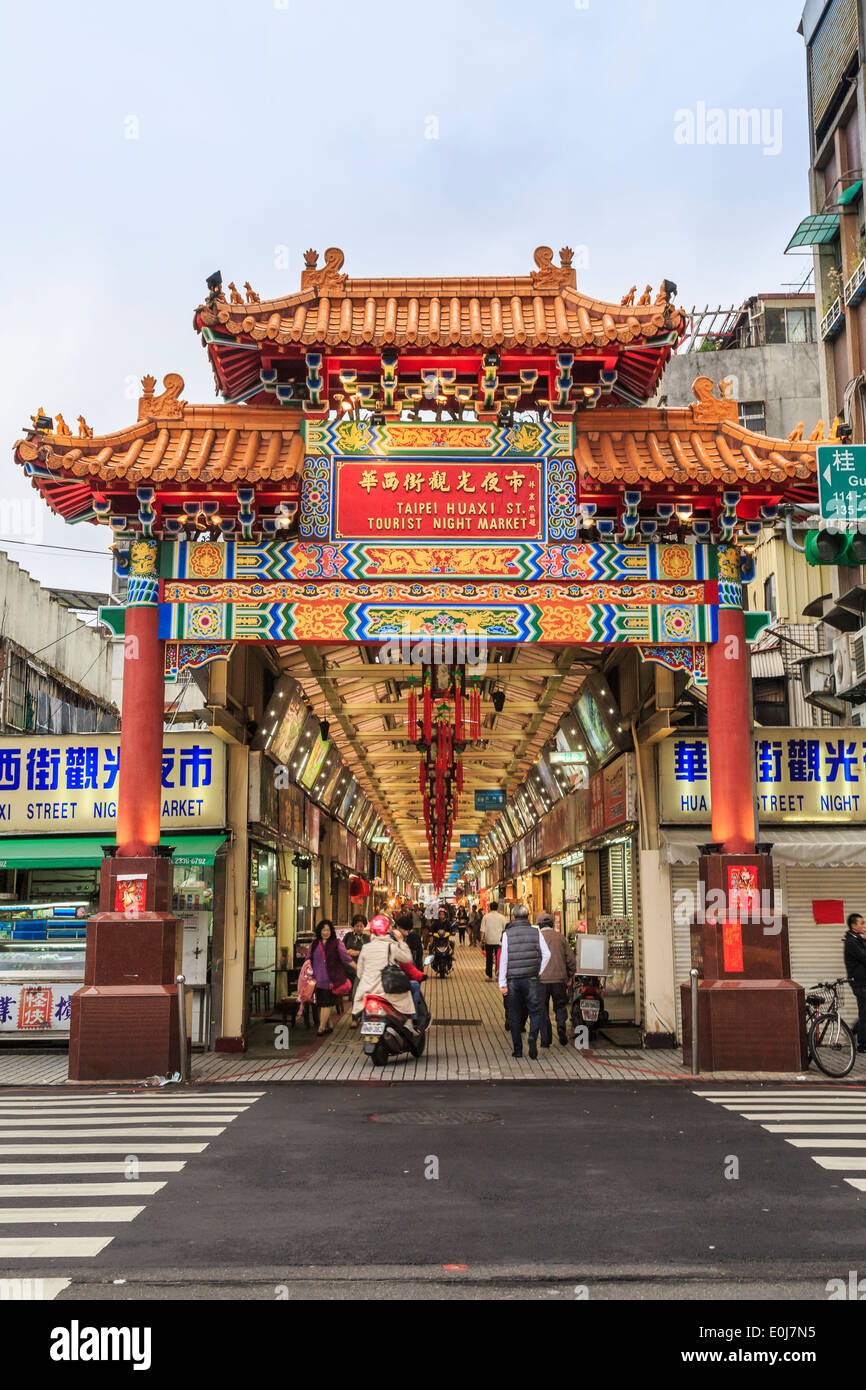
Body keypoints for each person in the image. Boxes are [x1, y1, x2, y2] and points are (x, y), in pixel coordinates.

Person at [499, 904, 551, 1059]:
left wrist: (502, 982)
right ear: (528, 916)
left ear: (513, 917)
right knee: (535, 1011)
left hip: (513, 980)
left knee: (514, 1014)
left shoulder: (507, 934)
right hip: (532, 979)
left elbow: (504, 960)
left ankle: (517, 1050)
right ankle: (533, 1036)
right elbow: (547, 954)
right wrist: (538, 971)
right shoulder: (536, 932)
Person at [352, 913, 416, 1023]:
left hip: (367, 991)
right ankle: (409, 1023)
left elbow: (359, 973)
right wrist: (401, 941)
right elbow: (407, 958)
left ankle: (358, 1020)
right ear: (387, 929)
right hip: (387, 990)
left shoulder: (366, 947)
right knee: (407, 998)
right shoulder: (391, 946)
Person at [307, 920, 354, 1036]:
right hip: (317, 980)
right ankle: (330, 1024)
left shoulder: (337, 943)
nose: (325, 932)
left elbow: (346, 958)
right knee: (321, 1003)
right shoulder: (314, 945)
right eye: (323, 930)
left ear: (331, 931)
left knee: (326, 1004)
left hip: (330, 980)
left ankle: (321, 1028)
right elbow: (308, 959)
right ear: (319, 931)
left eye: (328, 930)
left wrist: (357, 968)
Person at [537, 912, 576, 1047]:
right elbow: (571, 960)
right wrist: (570, 975)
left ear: (539, 925)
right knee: (560, 1005)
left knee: (543, 1008)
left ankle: (546, 1039)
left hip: (541, 980)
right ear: (552, 924)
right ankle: (561, 1026)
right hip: (559, 979)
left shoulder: (537, 938)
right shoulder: (561, 938)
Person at [844, 912, 866, 1053]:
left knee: (864, 1012)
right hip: (860, 983)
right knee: (864, 1013)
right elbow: (864, 958)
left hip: (863, 982)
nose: (864, 926)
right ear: (853, 926)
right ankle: (862, 1045)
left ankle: (854, 1031)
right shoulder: (851, 942)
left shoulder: (857, 939)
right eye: (862, 923)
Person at [480, 899, 507, 980]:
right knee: (499, 958)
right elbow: (505, 929)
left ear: (489, 908)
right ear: (497, 908)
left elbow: (482, 930)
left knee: (489, 958)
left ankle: (489, 975)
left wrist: (482, 940)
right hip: (499, 941)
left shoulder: (486, 917)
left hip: (489, 940)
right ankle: (498, 975)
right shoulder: (502, 917)